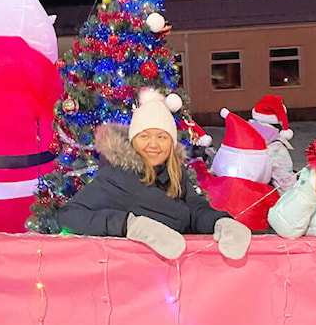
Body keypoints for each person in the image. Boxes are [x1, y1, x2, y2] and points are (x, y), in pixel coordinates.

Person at [58, 89, 252, 260]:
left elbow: (194, 210)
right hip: (137, 282)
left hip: (174, 279)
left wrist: (220, 222)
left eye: (162, 137)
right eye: (144, 136)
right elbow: (70, 216)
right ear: (134, 141)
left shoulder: (174, 173)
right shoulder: (117, 176)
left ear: (171, 142)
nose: (153, 144)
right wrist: (130, 225)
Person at [248, 95, 297, 193]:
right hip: (259, 198)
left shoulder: (241, 133)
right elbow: (286, 185)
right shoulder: (275, 147)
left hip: (235, 194)